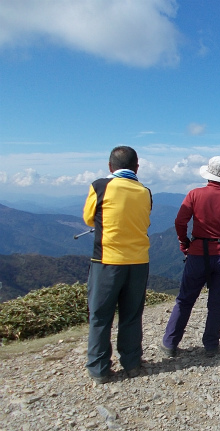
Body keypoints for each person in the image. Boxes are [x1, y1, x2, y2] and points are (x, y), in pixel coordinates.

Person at [161, 156, 220, 357]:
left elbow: (180, 221)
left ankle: (170, 344)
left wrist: (183, 241)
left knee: (185, 300)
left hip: (197, 253)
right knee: (217, 302)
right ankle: (211, 344)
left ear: (208, 174)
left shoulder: (194, 194)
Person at [83, 146, 152, 384]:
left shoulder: (99, 186)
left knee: (100, 316)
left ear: (110, 166)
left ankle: (99, 368)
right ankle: (132, 363)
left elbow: (88, 218)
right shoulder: (145, 191)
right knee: (132, 314)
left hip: (107, 260)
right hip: (139, 261)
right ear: (136, 167)